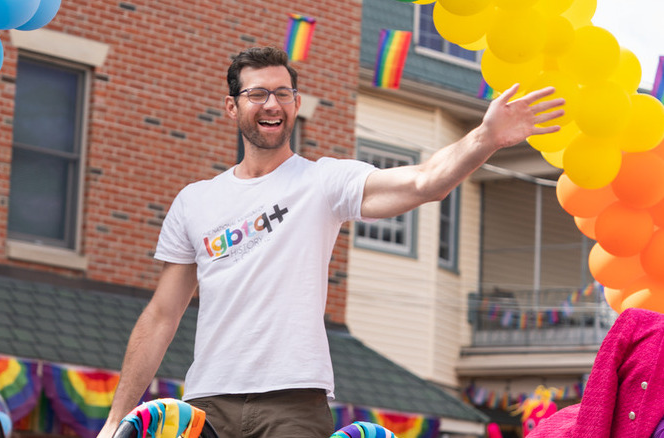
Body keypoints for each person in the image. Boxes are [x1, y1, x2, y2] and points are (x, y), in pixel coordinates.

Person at [97, 46, 565, 438]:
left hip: (293, 402)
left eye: (283, 93)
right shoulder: (195, 201)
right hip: (207, 403)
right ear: (231, 106)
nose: (272, 104)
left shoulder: (324, 181)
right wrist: (116, 417)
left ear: (296, 103)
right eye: (257, 93)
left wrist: (485, 138)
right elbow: (161, 315)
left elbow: (425, 183)